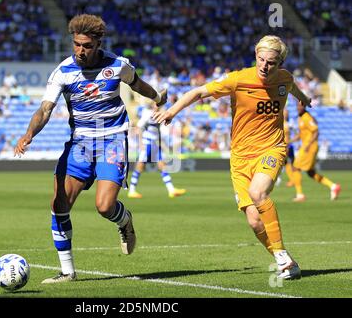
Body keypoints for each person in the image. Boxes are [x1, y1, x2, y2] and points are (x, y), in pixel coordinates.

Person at [14, 14, 167, 283]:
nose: (80, 51)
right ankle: (67, 272)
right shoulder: (62, 72)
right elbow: (45, 109)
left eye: (86, 45)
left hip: (112, 140)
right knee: (59, 204)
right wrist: (29, 134)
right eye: (76, 44)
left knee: (104, 206)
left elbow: (138, 84)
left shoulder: (118, 66)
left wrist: (156, 97)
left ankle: (124, 220)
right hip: (80, 143)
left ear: (98, 43)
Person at [154, 35, 308, 280]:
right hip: (240, 157)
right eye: (261, 60)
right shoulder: (238, 79)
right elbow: (198, 92)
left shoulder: (285, 78)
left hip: (271, 148)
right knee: (255, 222)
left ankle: (281, 257)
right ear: (256, 56)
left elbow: (292, 87)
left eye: (271, 62)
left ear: (280, 63)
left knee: (259, 194)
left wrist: (302, 98)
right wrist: (172, 111)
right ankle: (289, 262)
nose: (264, 66)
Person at [128, 100, 186, 199]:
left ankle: (171, 190)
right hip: (147, 144)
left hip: (154, 144)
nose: (157, 106)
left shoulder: (159, 114)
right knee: (140, 166)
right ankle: (132, 190)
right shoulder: (147, 114)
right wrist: (141, 143)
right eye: (156, 105)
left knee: (162, 165)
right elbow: (139, 127)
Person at [290, 101, 341, 202]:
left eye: (300, 106)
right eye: (297, 106)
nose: (298, 108)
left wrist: (308, 144)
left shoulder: (306, 117)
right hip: (307, 146)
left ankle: (300, 195)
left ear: (304, 107)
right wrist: (289, 141)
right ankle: (333, 186)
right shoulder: (301, 118)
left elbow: (316, 131)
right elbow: (301, 134)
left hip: (309, 147)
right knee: (310, 172)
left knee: (295, 167)